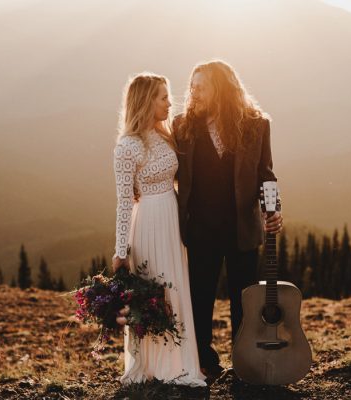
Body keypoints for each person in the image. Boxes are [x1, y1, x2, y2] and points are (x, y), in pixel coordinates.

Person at [172, 60, 283, 380]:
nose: (193, 92)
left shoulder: (256, 125)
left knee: (244, 301)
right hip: (199, 228)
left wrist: (273, 209)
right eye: (191, 86)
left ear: (220, 89)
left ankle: (245, 360)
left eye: (201, 86)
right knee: (200, 297)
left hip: (241, 229)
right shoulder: (182, 125)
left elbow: (266, 175)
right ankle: (204, 360)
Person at [111, 72, 206, 386]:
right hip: (148, 223)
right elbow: (124, 201)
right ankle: (153, 365)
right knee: (155, 292)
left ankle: (179, 360)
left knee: (175, 289)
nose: (170, 103)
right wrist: (120, 250)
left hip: (171, 219)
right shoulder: (128, 147)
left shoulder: (165, 135)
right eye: (163, 97)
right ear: (145, 101)